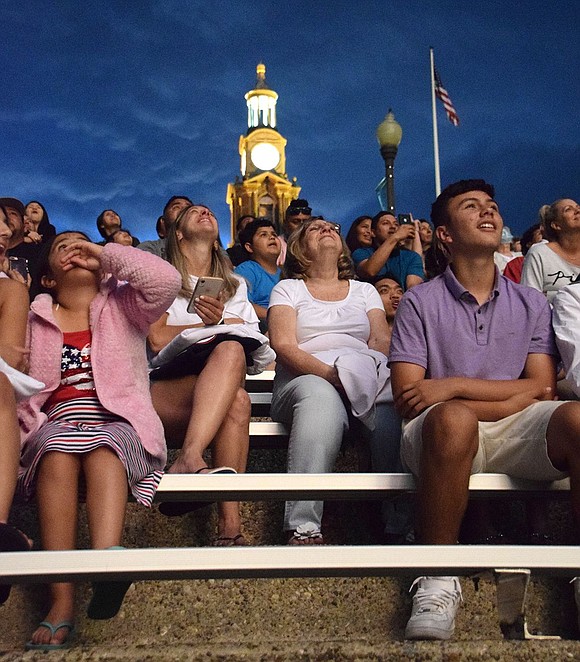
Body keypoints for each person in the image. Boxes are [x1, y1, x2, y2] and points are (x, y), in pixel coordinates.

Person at [389, 179, 580, 641]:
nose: (487, 212)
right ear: (446, 234)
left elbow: (542, 388)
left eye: (491, 205)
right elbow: (409, 396)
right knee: (453, 420)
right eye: (470, 207)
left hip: (512, 429)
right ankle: (437, 574)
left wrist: (452, 385)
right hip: (441, 436)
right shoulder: (419, 300)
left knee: (577, 417)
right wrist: (513, 396)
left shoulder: (532, 301)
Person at [18, 232, 181, 650]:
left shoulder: (124, 302)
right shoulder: (35, 315)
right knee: (55, 453)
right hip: (55, 419)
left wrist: (106, 254)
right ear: (49, 279)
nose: (75, 248)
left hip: (117, 416)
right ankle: (61, 599)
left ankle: (109, 559)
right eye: (62, 247)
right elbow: (23, 387)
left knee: (107, 446)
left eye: (82, 243)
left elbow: (166, 280)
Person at [268, 219, 400, 545]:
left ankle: (400, 524)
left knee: (390, 414)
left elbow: (381, 340)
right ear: (299, 247)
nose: (327, 229)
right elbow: (283, 344)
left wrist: (358, 377)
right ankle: (302, 526)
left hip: (361, 376)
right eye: (315, 229)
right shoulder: (288, 289)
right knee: (320, 397)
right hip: (303, 378)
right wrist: (331, 376)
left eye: (331, 228)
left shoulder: (365, 290)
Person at [147, 204, 258, 546]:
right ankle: (191, 458)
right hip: (163, 388)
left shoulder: (235, 285)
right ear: (177, 233)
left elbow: (253, 339)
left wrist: (223, 326)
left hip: (216, 385)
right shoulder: (160, 278)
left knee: (238, 396)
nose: (205, 211)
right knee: (230, 358)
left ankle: (229, 525)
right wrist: (208, 324)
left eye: (209, 210)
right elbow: (155, 338)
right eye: (194, 212)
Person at [0, 206, 33, 606]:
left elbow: (9, 356)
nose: (2, 235)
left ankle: (0, 526)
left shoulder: (10, 289)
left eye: (6, 231)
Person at [521, 199, 580, 301]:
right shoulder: (539, 253)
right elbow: (530, 300)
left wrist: (550, 295)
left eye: (578, 207)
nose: (577, 211)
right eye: (568, 210)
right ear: (556, 225)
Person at [352, 211, 424, 289]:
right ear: (373, 232)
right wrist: (395, 237)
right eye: (386, 223)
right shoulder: (362, 253)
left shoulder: (411, 257)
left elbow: (413, 289)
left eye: (396, 224)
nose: (393, 227)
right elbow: (370, 271)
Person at [234, 219, 281, 331]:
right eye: (263, 235)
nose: (272, 237)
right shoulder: (246, 270)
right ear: (249, 247)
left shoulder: (286, 274)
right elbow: (243, 304)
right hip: (263, 327)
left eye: (274, 234)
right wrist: (278, 316)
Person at [138, 195, 192, 260]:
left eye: (189, 208)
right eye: (176, 207)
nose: (184, 209)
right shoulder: (150, 248)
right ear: (162, 223)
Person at [277, 198, 312, 265]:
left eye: (306, 222)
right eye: (296, 222)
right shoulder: (277, 245)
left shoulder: (318, 244)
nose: (302, 226)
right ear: (285, 224)